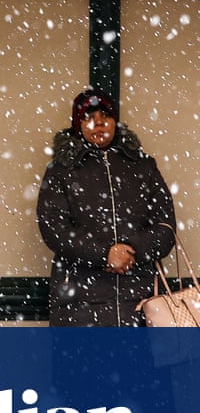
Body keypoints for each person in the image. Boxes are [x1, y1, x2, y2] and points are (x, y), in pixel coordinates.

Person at [36, 88, 175, 327]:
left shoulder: (142, 166)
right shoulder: (61, 170)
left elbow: (166, 226)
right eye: (89, 117)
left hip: (141, 300)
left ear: (115, 121)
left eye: (105, 116)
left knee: (136, 364)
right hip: (81, 302)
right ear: (78, 124)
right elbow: (54, 228)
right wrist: (104, 254)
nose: (99, 123)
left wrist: (132, 251)